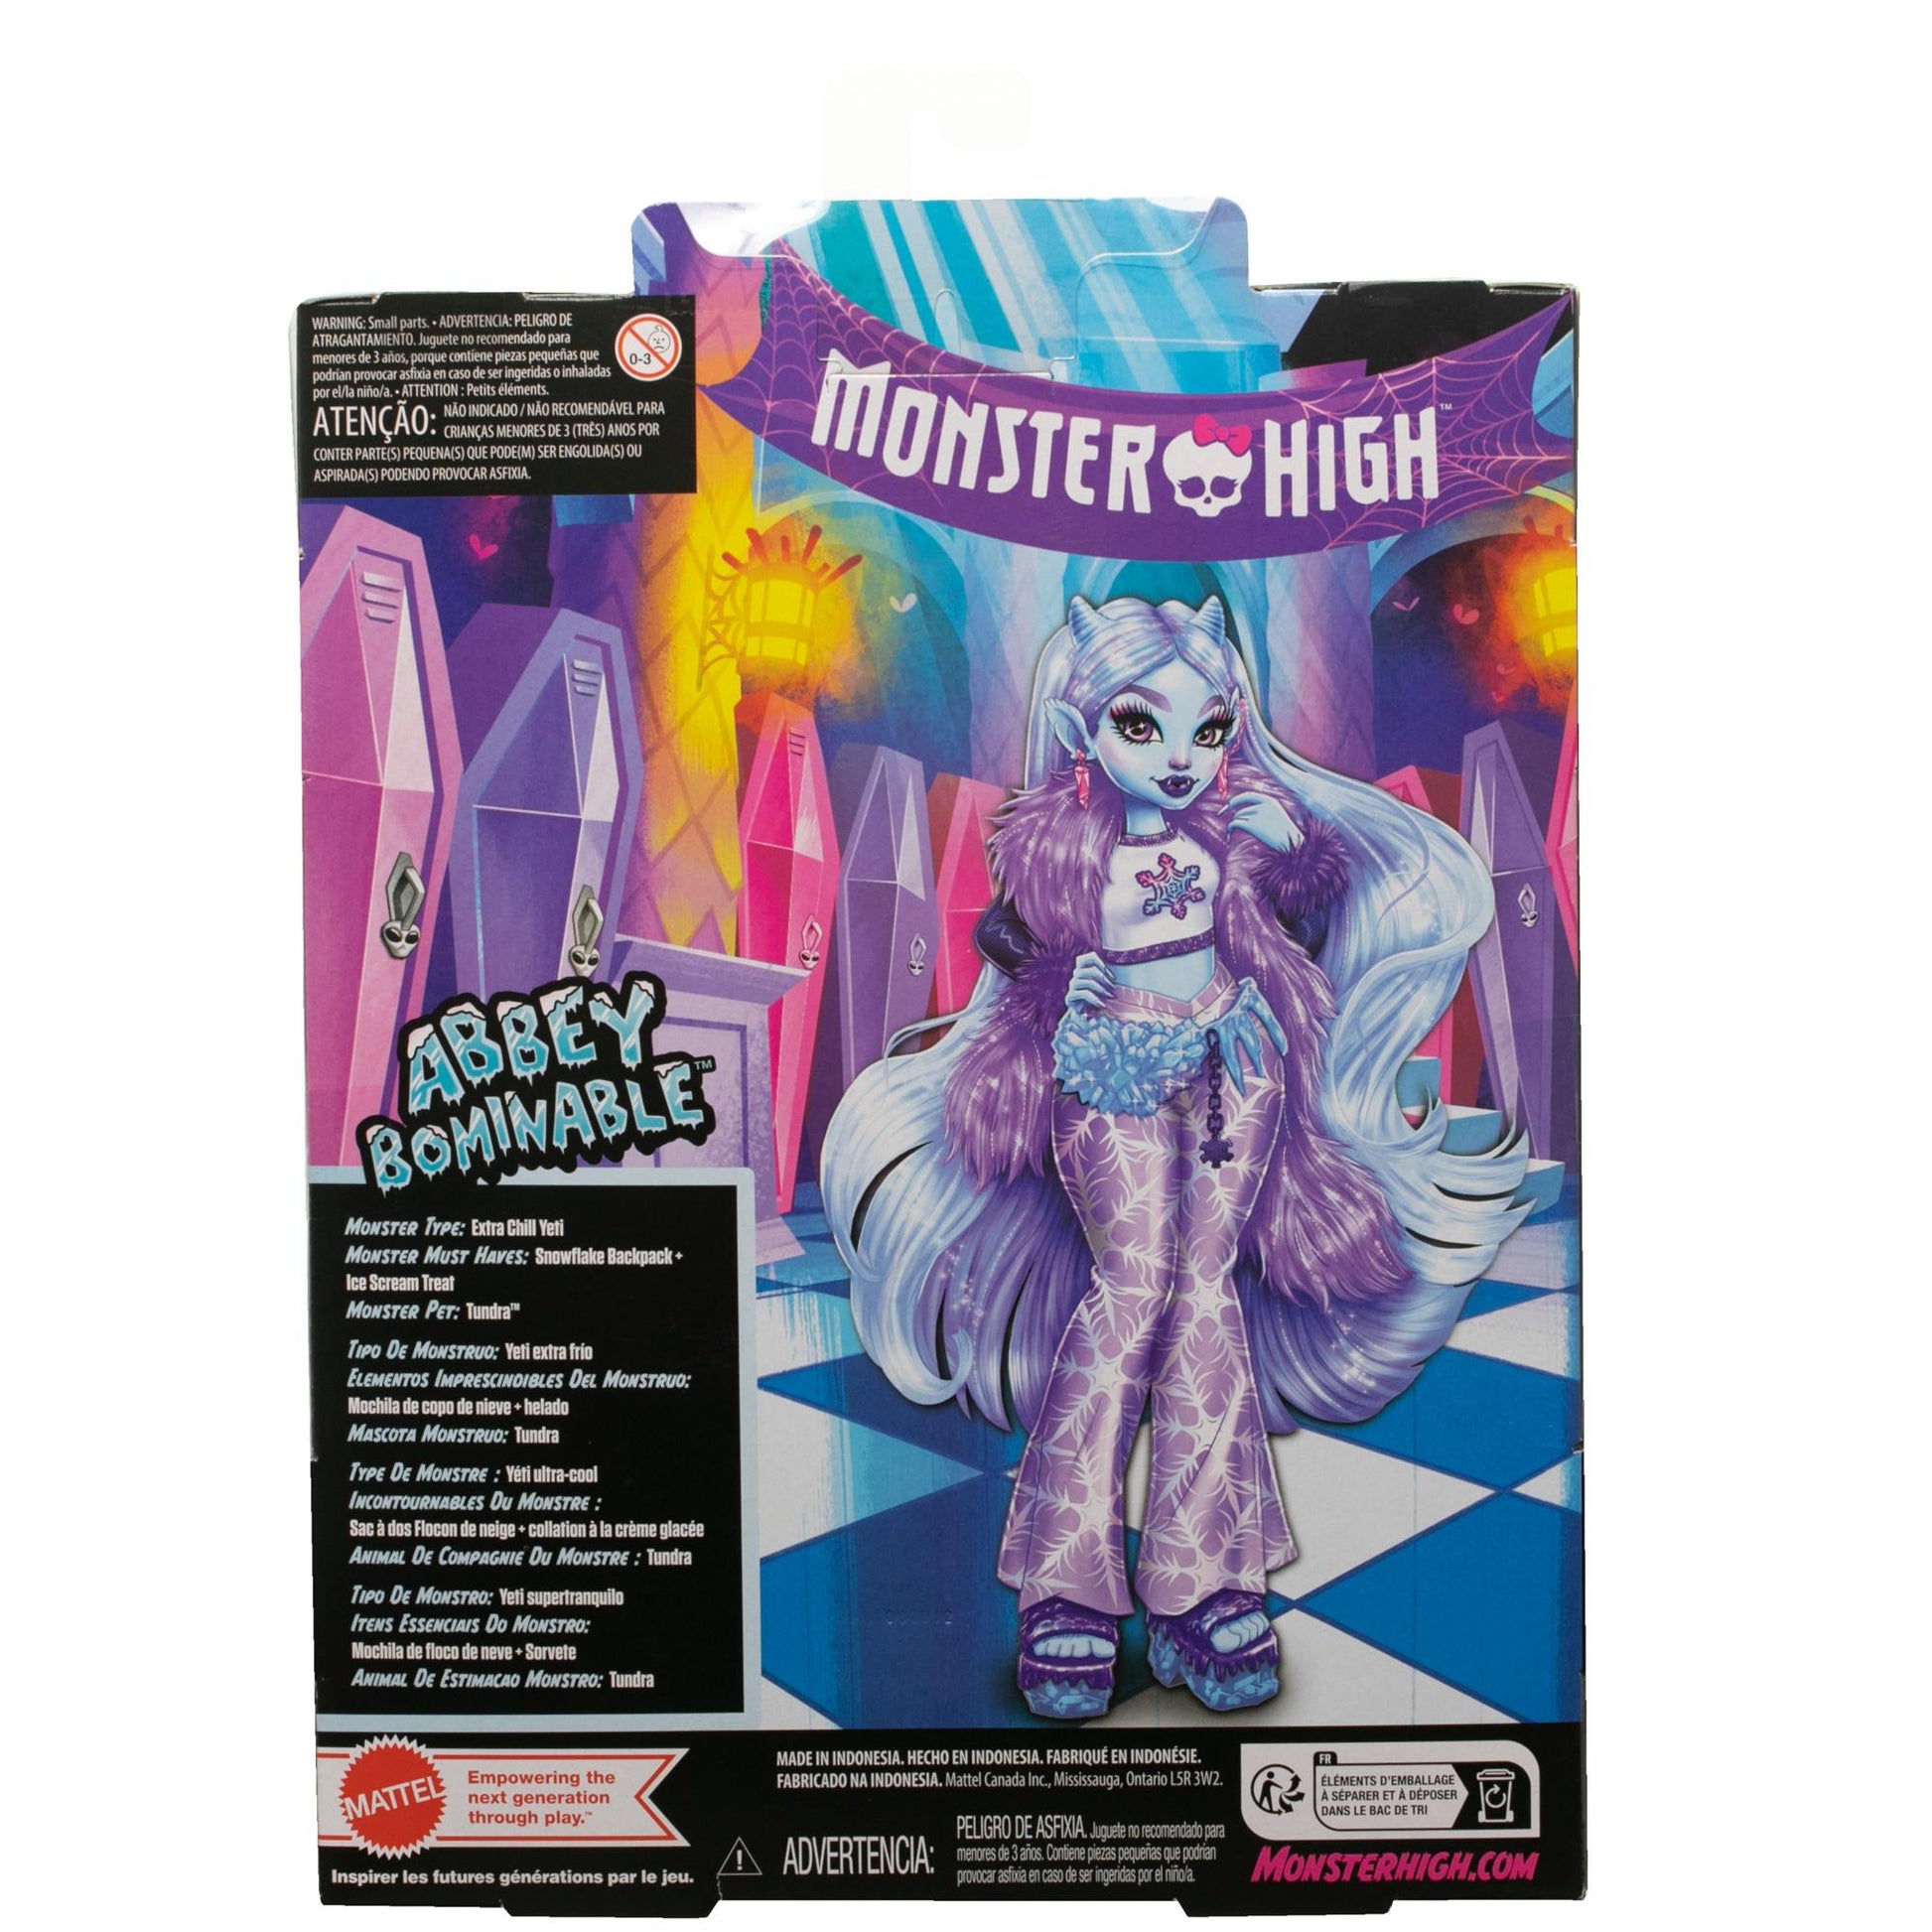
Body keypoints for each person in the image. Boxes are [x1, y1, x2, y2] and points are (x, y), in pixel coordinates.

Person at [822, 594, 1526, 1718]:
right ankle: (1065, 1586)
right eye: (1142, 725)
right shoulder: (1059, 841)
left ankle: (1203, 1586)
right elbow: (1017, 950)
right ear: (1080, 724)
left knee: (1205, 1296)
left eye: (1208, 727)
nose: (1182, 756)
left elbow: (1291, 910)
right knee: (1131, 1288)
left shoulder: (1226, 827)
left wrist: (1293, 853)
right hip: (1110, 1066)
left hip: (1233, 1055)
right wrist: (1064, 987)